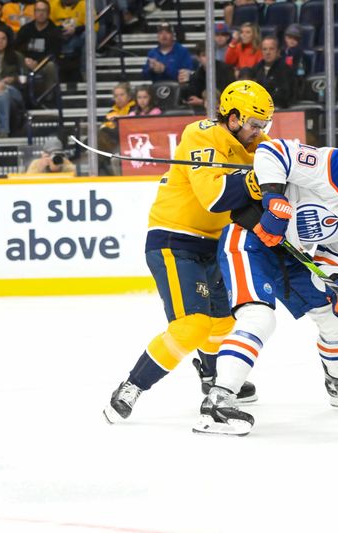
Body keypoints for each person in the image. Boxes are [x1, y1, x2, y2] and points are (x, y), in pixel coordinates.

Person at [193, 139, 338, 436]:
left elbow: (332, 255)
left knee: (336, 317)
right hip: (251, 239)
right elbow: (272, 152)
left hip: (291, 253)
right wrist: (273, 199)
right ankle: (218, 399)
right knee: (259, 318)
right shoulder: (335, 165)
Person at [103, 81, 274, 424]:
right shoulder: (201, 134)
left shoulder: (258, 145)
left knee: (224, 321)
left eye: (264, 126)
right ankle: (130, 387)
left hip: (213, 244)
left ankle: (211, 379)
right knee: (192, 325)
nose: (259, 132)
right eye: (255, 124)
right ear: (235, 117)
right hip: (174, 238)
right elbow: (215, 198)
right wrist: (257, 182)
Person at [181, 43, 235, 111]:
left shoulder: (226, 70)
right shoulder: (196, 75)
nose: (209, 58)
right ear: (198, 58)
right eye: (204, 55)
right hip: (201, 112)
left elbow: (231, 94)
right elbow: (193, 97)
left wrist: (202, 102)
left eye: (210, 55)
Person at [251, 35, 295, 109]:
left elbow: (285, 95)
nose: (268, 52)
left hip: (279, 109)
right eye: (264, 49)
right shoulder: (256, 69)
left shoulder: (285, 70)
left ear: (278, 51)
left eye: (271, 49)